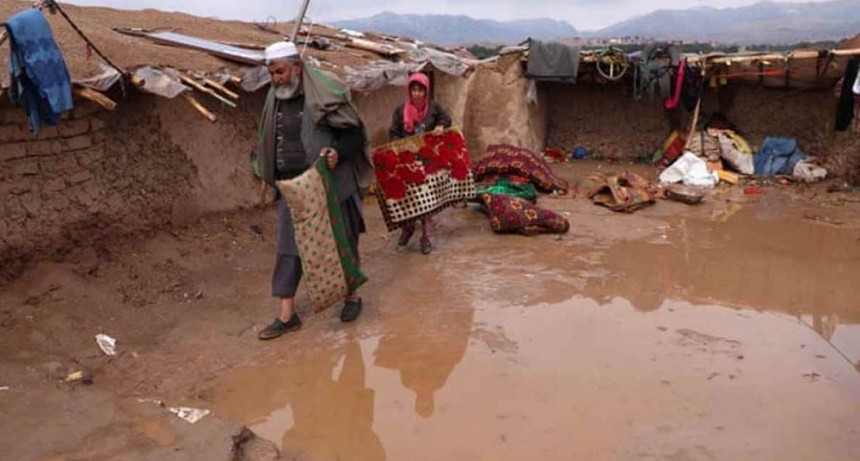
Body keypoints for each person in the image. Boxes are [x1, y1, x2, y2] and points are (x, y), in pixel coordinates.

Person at [256, 41, 373, 340]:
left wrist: (337, 153)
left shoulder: (324, 93)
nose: (276, 79)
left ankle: (352, 297)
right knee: (288, 248)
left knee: (343, 240)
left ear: (296, 67)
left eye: (280, 72)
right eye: (272, 73)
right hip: (294, 186)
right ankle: (287, 315)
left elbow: (354, 134)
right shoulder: (274, 99)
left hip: (332, 183)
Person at [389, 72, 453, 254]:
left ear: (426, 91)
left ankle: (426, 236)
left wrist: (441, 126)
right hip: (408, 162)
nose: (417, 93)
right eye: (414, 89)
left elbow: (447, 120)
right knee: (408, 198)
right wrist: (401, 145)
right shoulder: (400, 111)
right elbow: (393, 132)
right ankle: (408, 229)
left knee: (426, 198)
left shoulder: (434, 108)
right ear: (409, 91)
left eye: (420, 90)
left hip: (427, 161)